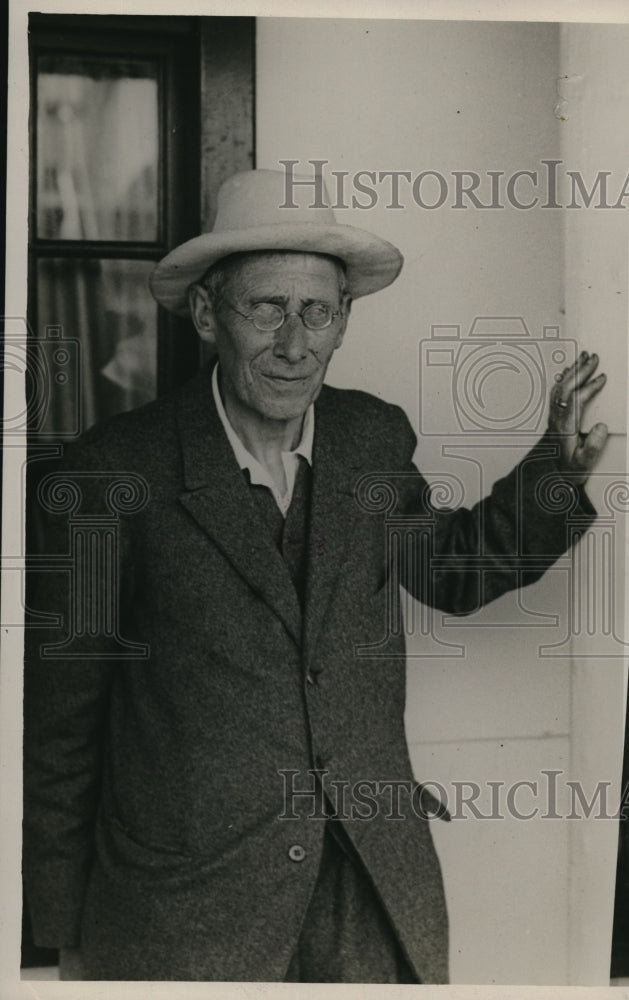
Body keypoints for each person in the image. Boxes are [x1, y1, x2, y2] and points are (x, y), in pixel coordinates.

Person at [23, 169, 609, 983]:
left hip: (368, 889)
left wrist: (557, 476)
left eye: (316, 312)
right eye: (265, 308)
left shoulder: (371, 438)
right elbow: (59, 729)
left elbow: (450, 569)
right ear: (205, 315)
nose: (294, 344)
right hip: (186, 912)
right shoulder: (112, 471)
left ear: (342, 323)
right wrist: (56, 933)